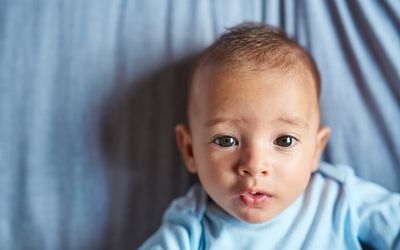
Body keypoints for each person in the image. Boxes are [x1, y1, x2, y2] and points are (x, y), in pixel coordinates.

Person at [139, 23, 400, 250]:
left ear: (316, 150)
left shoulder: (340, 199)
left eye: (284, 141)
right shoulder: (191, 227)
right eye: (226, 141)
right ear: (190, 150)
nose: (254, 165)